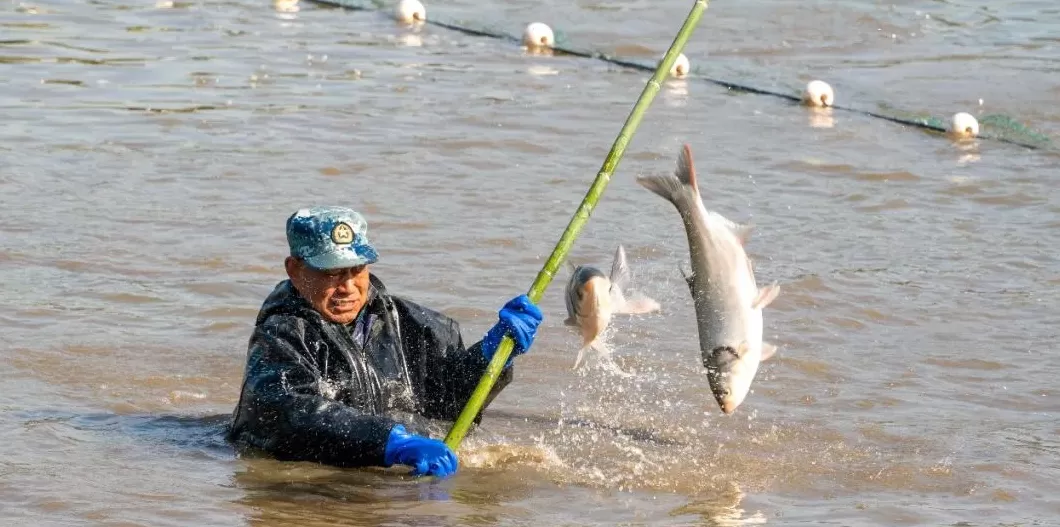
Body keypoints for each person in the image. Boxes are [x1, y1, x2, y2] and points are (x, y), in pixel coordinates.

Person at [226, 206, 543, 479]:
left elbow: (450, 406)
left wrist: (490, 357)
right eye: (332, 273)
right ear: (294, 270)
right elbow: (289, 414)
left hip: (404, 479)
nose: (348, 287)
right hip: (315, 489)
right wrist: (391, 442)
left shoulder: (417, 324)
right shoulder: (280, 336)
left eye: (356, 270)